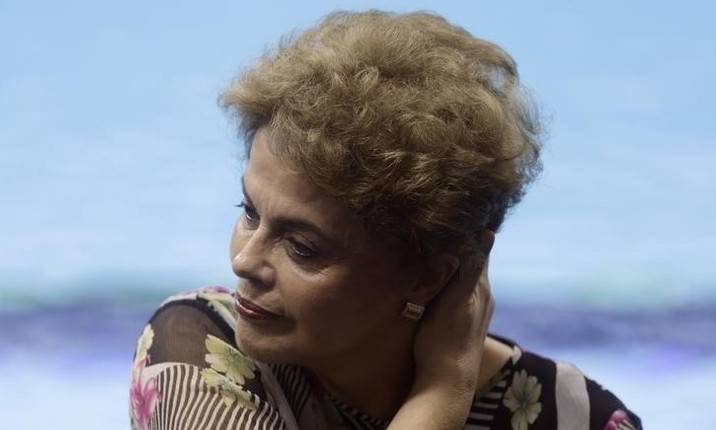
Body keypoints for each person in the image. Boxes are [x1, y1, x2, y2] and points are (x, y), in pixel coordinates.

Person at [129, 10, 642, 430]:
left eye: (303, 247)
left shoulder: (574, 417)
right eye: (249, 213)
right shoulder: (198, 349)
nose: (245, 260)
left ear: (431, 274)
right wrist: (444, 389)